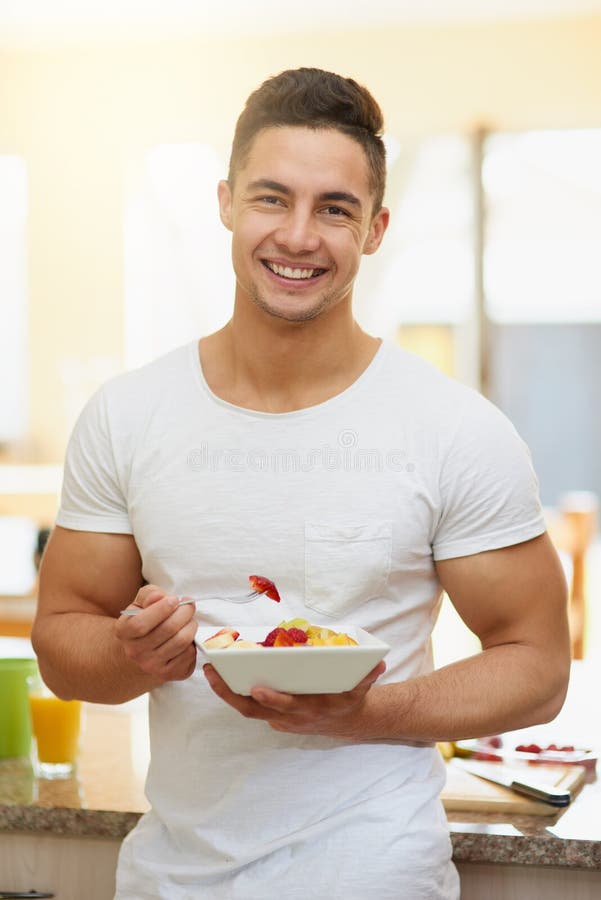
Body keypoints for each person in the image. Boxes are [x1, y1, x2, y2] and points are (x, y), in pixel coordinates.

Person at [32, 68, 570, 899]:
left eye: (335, 209)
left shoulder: (453, 428)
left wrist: (364, 713)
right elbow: (66, 649)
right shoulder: (127, 414)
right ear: (224, 202)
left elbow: (536, 667)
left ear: (376, 228)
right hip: (169, 876)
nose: (298, 236)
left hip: (372, 873)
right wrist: (128, 652)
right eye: (270, 198)